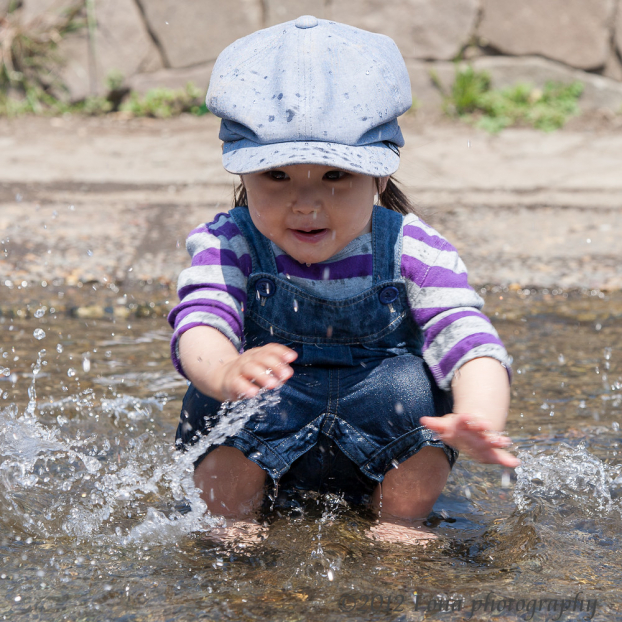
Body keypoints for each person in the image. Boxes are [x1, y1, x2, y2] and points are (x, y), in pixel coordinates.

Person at [168, 15, 519, 545]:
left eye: (335, 176)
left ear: (379, 174)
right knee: (224, 397)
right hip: (268, 421)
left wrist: (477, 418)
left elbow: (468, 338)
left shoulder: (412, 247)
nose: (306, 203)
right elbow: (199, 319)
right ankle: (229, 523)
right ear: (241, 172)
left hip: (378, 432)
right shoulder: (228, 243)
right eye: (277, 176)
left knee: (415, 385)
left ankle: (400, 523)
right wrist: (224, 369)